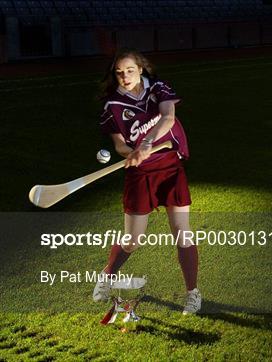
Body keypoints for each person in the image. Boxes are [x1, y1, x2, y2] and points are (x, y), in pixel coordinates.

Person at [92, 48, 201, 315]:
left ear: (140, 69)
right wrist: (131, 154)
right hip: (140, 174)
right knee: (132, 240)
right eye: (119, 73)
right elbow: (119, 144)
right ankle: (106, 276)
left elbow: (168, 117)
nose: (125, 76)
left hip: (170, 167)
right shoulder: (112, 106)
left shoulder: (159, 89)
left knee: (182, 234)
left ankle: (192, 293)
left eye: (130, 70)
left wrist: (147, 145)